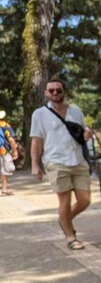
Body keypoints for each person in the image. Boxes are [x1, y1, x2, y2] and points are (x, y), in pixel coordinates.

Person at [30, 77, 94, 250]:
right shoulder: (39, 114)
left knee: (85, 200)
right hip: (55, 161)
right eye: (51, 90)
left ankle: (64, 219)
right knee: (64, 201)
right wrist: (35, 165)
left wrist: (87, 136)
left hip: (78, 159)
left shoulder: (75, 110)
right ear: (46, 93)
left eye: (59, 90)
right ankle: (71, 237)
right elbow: (36, 141)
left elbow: (81, 135)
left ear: (64, 92)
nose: (55, 93)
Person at [0, 110, 18, 196]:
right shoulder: (5, 125)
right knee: (5, 170)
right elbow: (11, 139)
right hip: (3, 151)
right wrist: (14, 150)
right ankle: (4, 190)